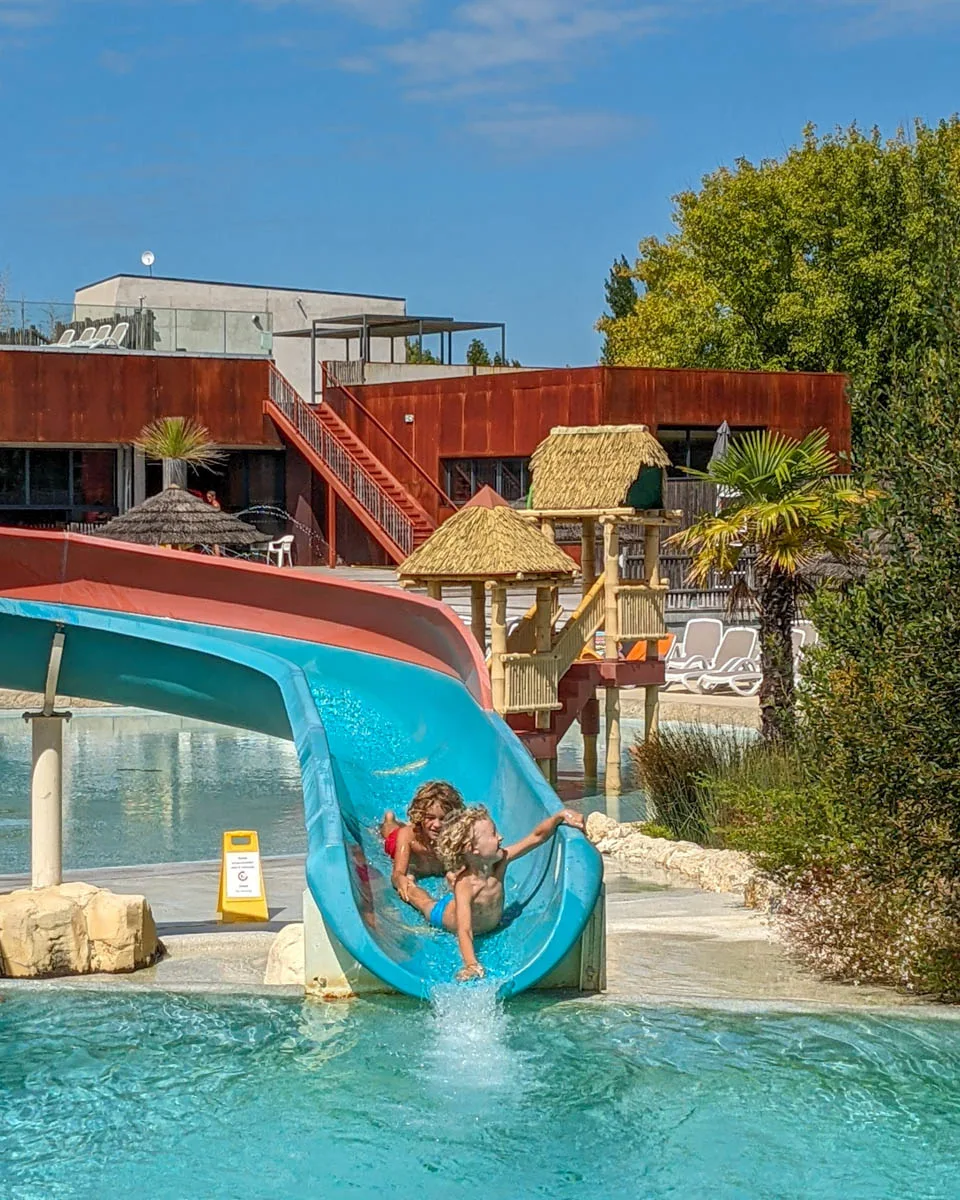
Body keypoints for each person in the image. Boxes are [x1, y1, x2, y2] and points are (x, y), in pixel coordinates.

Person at [405, 805, 585, 982]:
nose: (500, 837)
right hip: (444, 915)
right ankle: (408, 884)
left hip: (476, 915)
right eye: (493, 834)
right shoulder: (465, 885)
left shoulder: (500, 861)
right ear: (472, 848)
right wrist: (471, 964)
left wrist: (559, 817)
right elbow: (464, 930)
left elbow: (536, 837)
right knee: (424, 903)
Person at [379, 781, 465, 903]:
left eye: (443, 819)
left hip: (422, 831)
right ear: (420, 815)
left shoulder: (454, 840)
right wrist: (400, 880)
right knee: (391, 832)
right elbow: (397, 874)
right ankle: (390, 819)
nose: (437, 825)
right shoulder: (407, 836)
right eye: (430, 818)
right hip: (401, 843)